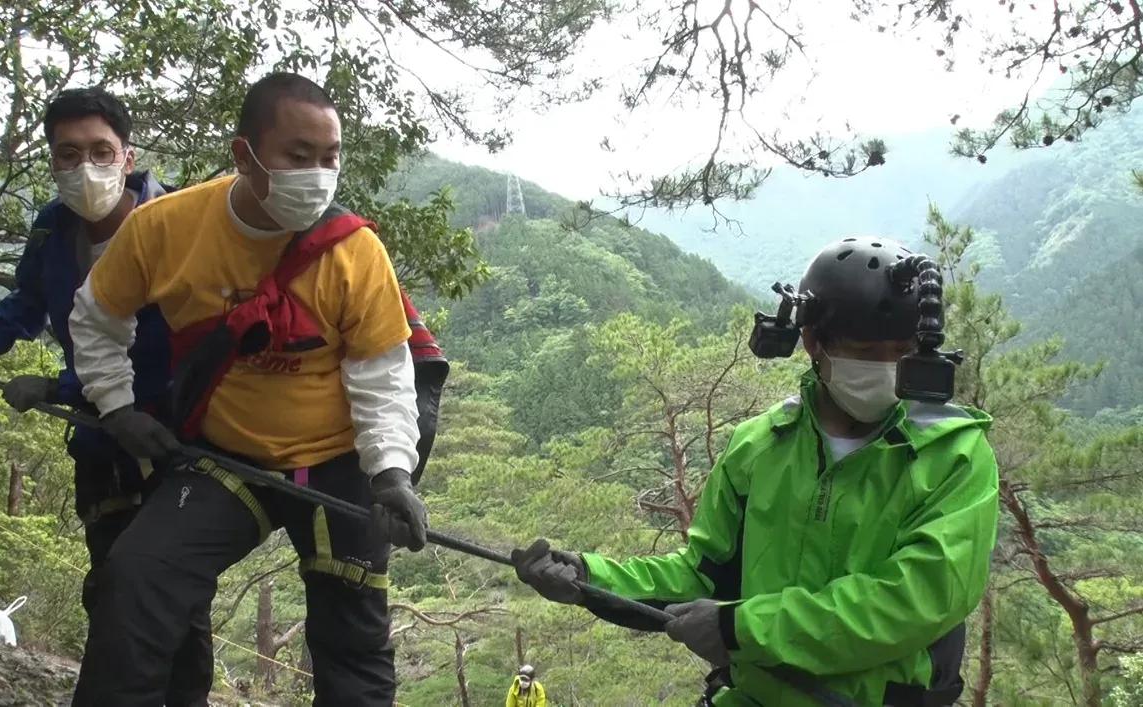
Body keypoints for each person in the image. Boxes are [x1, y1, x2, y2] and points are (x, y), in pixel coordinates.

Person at [67, 72, 428, 706]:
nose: (317, 173)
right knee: (134, 581)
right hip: (228, 456)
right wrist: (116, 407)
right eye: (298, 155)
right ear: (245, 155)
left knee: (353, 642)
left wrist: (392, 473)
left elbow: (382, 372)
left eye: (329, 157)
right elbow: (97, 316)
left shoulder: (355, 252)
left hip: (340, 463)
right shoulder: (165, 228)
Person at [512, 238, 1000, 707]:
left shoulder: (953, 456)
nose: (888, 369)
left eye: (902, 351)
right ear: (813, 342)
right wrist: (589, 578)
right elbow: (700, 574)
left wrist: (740, 630)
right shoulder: (761, 444)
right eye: (867, 354)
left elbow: (915, 601)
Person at [0, 87, 213, 706]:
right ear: (52, 161)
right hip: (98, 438)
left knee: (174, 590)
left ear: (127, 153)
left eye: (101, 151)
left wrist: (61, 385)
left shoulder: (176, 225)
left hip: (171, 434)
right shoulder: (53, 229)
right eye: (68, 153)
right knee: (109, 578)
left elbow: (171, 347)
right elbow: (29, 301)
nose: (86, 167)